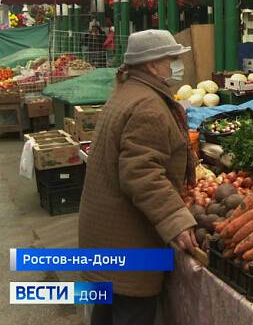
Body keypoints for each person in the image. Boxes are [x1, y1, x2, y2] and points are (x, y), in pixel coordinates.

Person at [78, 29, 198, 325]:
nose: (174, 66)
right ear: (152, 65)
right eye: (170, 60)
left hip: (105, 234)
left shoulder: (127, 91)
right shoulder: (148, 106)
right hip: (127, 243)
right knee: (132, 313)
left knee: (105, 311)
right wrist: (175, 218)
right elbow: (141, 174)